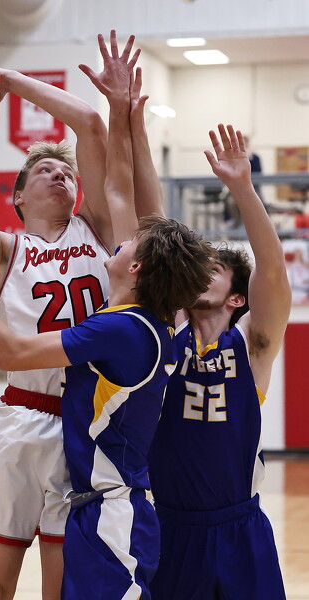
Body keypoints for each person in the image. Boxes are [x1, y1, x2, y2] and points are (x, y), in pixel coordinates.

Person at [0, 44, 215, 596]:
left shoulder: (102, 232)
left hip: (84, 429)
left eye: (67, 172)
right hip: (23, 419)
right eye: (44, 170)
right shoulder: (3, 251)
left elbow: (91, 124)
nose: (59, 175)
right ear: (17, 197)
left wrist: (6, 78)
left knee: (63, 586)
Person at [147, 124, 290, 600]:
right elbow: (150, 224)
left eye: (214, 270)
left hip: (239, 529)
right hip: (170, 527)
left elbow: (273, 271)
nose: (199, 273)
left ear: (236, 298)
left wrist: (243, 188)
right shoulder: (162, 333)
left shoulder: (251, 346)